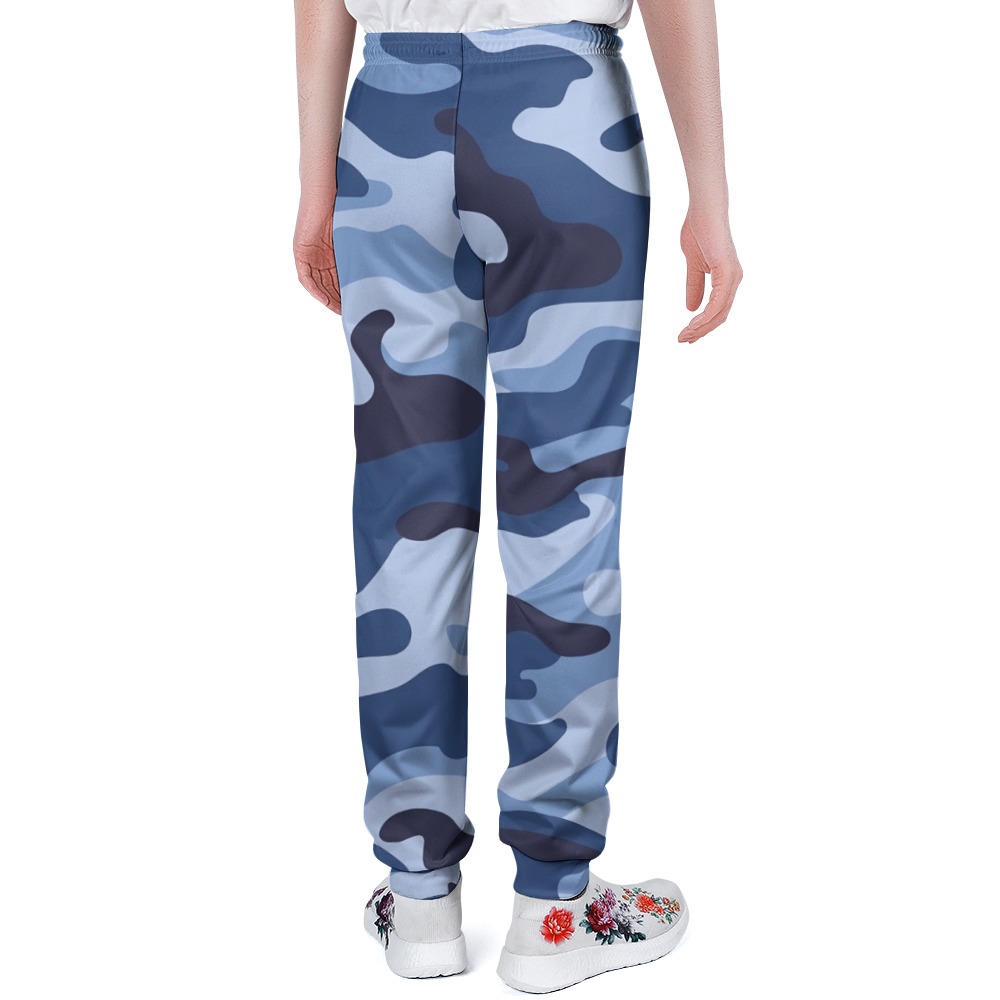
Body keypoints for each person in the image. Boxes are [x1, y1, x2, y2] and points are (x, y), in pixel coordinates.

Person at [292, 0, 742, 992]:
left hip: (388, 124)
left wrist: (317, 179)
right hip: (566, 113)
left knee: (405, 522)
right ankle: (552, 905)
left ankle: (418, 899)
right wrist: (708, 195)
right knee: (566, 513)